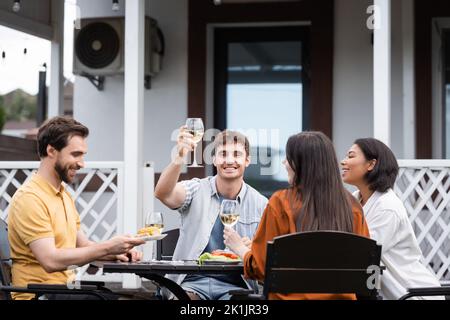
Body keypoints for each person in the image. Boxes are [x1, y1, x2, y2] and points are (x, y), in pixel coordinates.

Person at [8, 116, 145, 300]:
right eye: (75, 154)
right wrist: (106, 247)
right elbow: (50, 260)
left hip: (63, 291)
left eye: (83, 155)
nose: (82, 163)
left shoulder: (62, 194)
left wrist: (116, 252)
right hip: (37, 295)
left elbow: (84, 247)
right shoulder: (30, 198)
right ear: (51, 150)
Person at [224, 131, 370, 300]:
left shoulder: (280, 203)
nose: (284, 162)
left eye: (289, 157)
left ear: (300, 164)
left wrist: (240, 249)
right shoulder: (353, 207)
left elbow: (261, 268)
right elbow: (365, 268)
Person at [155, 128, 268, 300]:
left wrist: (252, 249)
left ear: (247, 160)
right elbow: (163, 193)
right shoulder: (196, 189)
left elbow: (269, 258)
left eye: (236, 154)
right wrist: (179, 156)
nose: (229, 160)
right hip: (191, 283)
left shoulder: (261, 204)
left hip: (238, 286)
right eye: (223, 154)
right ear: (214, 159)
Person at [340, 137, 442, 300]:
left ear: (371, 164)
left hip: (412, 294)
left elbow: (363, 254)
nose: (343, 162)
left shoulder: (387, 206)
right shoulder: (355, 199)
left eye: (351, 156)